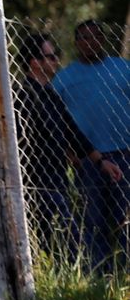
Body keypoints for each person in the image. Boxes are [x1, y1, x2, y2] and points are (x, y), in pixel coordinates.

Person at [14, 34, 119, 263]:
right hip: (36, 184)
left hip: (57, 180)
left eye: (56, 56)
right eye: (51, 57)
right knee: (65, 247)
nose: (56, 62)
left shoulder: (51, 93)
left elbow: (72, 132)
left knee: (64, 244)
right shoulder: (22, 95)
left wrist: (101, 162)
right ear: (34, 62)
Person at [51, 20, 130, 273]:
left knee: (125, 217)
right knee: (93, 219)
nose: (90, 42)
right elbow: (54, 121)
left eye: (96, 36)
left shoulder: (123, 69)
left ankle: (125, 271)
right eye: (84, 38)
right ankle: (99, 273)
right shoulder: (64, 79)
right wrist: (69, 152)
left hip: (124, 153)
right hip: (86, 159)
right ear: (76, 43)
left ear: (104, 39)